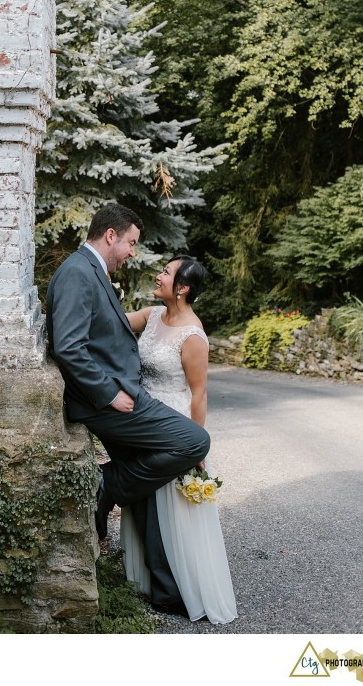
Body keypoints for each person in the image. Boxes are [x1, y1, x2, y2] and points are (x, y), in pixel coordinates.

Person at [46, 203, 211, 613]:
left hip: (124, 395)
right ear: (110, 237)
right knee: (195, 441)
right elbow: (68, 345)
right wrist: (106, 392)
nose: (133, 252)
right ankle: (106, 486)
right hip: (111, 401)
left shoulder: (92, 273)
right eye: (131, 243)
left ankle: (165, 589)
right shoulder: (77, 273)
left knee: (151, 493)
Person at [121, 255, 237, 624]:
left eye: (167, 273)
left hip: (172, 423)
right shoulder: (153, 315)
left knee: (171, 508)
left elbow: (199, 394)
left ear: (183, 288)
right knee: (142, 496)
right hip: (141, 418)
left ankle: (178, 587)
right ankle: (148, 577)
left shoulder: (193, 335)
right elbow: (116, 322)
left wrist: (196, 445)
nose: (159, 275)